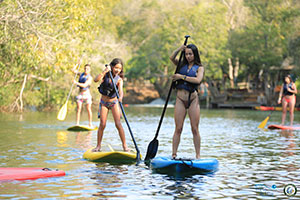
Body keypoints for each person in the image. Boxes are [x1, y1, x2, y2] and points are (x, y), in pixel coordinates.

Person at [169, 44, 204, 159]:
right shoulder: (181, 65)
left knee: (194, 128)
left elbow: (198, 79)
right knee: (178, 128)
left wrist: (181, 77)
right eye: (186, 54)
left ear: (195, 54)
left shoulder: (199, 67)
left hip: (193, 99)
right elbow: (171, 57)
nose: (188, 56)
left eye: (190, 54)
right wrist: (180, 49)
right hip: (180, 99)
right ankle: (174, 154)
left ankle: (198, 155)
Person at [92, 58, 130, 152]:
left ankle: (125, 146)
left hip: (114, 103)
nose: (117, 70)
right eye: (116, 67)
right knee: (102, 124)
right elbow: (95, 80)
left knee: (118, 124)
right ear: (112, 67)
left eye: (120, 69)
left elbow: (120, 91)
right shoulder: (106, 75)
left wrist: (120, 98)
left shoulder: (119, 79)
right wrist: (104, 71)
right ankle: (98, 146)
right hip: (104, 103)